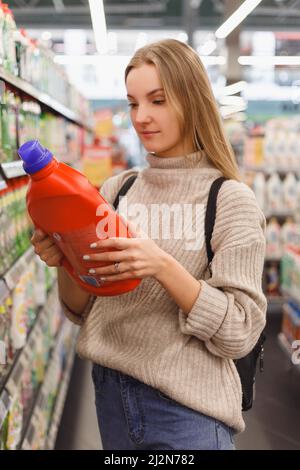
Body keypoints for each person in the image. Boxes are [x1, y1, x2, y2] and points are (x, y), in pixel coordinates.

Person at [31, 39, 267, 450]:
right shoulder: (116, 190)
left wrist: (162, 266)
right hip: (110, 399)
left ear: (192, 101)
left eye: (157, 100)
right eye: (133, 103)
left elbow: (240, 332)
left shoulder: (229, 199)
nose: (142, 117)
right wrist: (65, 262)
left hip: (188, 414)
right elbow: (79, 309)